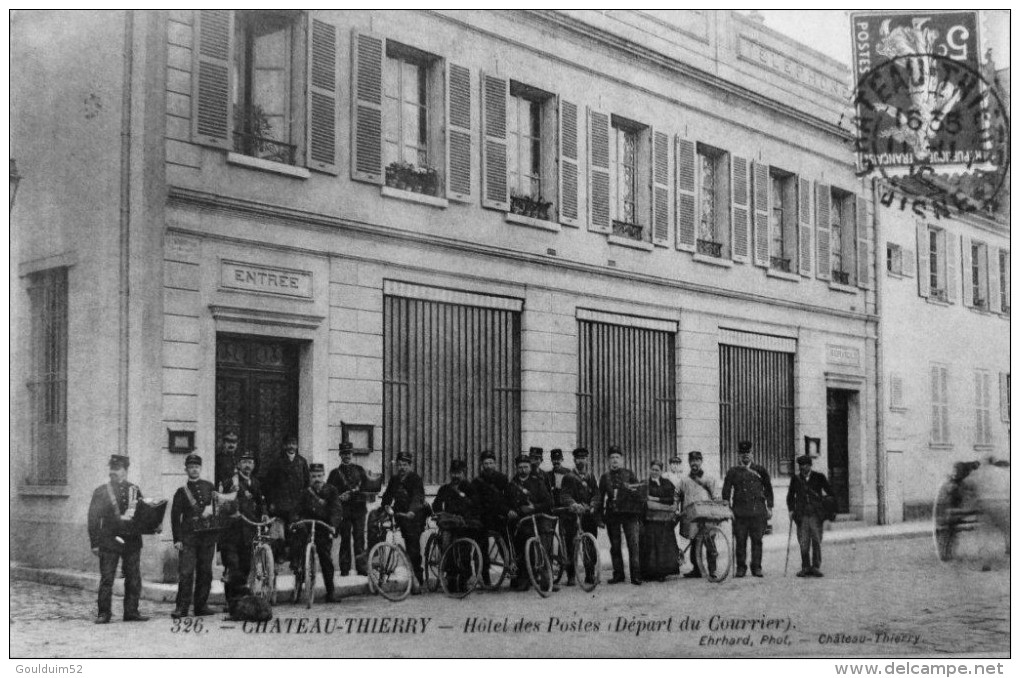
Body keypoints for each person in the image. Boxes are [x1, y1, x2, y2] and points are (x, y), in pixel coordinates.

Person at [87, 454, 148, 624]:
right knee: (107, 578)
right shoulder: (101, 491)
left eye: (118, 468)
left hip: (132, 540)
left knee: (133, 577)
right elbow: (93, 518)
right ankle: (104, 613)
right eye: (112, 468)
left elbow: (142, 514)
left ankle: (131, 611)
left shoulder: (134, 489)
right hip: (109, 540)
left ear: (125, 471)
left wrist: (152, 525)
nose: (113, 471)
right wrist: (95, 542)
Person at [170, 454, 218, 618]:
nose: (194, 470)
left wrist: (212, 511)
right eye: (191, 467)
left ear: (200, 468)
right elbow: (175, 517)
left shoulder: (210, 487)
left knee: (205, 572)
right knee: (186, 573)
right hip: (189, 538)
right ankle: (181, 607)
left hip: (207, 537)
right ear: (186, 470)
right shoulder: (181, 492)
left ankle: (201, 606)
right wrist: (177, 539)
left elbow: (218, 507)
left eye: (196, 467)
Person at [217, 449, 267, 602]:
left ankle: (239, 599)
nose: (248, 465)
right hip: (232, 531)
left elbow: (261, 501)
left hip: (249, 530)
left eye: (250, 462)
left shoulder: (256, 482)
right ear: (238, 464)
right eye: (244, 462)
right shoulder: (230, 482)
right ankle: (230, 600)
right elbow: (221, 503)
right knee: (233, 565)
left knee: (245, 565)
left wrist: (264, 513)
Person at [722, 441, 774, 578]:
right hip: (740, 513)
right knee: (740, 540)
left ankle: (756, 567)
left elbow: (768, 489)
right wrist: (727, 508)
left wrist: (770, 507)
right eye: (743, 454)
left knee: (757, 540)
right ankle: (741, 568)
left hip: (758, 512)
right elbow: (726, 490)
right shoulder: (733, 471)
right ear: (739, 455)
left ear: (752, 454)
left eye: (748, 453)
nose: (745, 456)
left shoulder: (760, 470)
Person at [505, 453, 555, 591]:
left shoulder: (537, 482)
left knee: (544, 542)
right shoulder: (511, 485)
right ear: (516, 468)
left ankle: (546, 578)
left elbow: (548, 501)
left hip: (537, 519)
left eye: (525, 467)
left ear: (529, 467)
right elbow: (505, 502)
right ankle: (524, 578)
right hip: (520, 521)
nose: (523, 470)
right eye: (520, 467)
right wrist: (510, 510)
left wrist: (534, 507)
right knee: (521, 545)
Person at [261, 434, 310, 572]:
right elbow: (269, 485)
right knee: (278, 533)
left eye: (293, 444)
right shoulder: (277, 462)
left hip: (296, 506)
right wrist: (271, 503)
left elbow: (307, 485)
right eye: (288, 444)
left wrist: (304, 504)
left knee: (298, 532)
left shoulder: (302, 462)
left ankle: (296, 560)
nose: (291, 446)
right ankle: (280, 555)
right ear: (284, 446)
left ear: (297, 446)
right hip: (280, 505)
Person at [598, 446, 643, 585]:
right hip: (613, 514)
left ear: (622, 460)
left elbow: (639, 494)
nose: (614, 460)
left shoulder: (629, 474)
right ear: (608, 460)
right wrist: (599, 518)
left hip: (630, 515)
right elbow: (600, 498)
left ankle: (636, 575)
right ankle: (618, 574)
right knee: (615, 545)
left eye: (617, 457)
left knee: (633, 545)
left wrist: (639, 515)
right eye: (612, 458)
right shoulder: (605, 477)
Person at [297, 463, 342, 602]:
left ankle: (331, 592)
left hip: (323, 527)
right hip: (307, 525)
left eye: (319, 476)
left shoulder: (331, 490)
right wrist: (295, 520)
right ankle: (299, 576)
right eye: (313, 476)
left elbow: (336, 509)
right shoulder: (305, 492)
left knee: (325, 558)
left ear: (324, 476)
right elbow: (297, 509)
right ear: (310, 477)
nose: (316, 479)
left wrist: (333, 525)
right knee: (299, 549)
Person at [380, 452, 426, 585]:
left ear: (410, 466)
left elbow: (418, 497)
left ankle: (417, 578)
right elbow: (387, 496)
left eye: (405, 465)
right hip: (399, 514)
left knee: (413, 548)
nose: (402, 468)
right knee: (376, 525)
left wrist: (412, 511)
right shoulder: (394, 479)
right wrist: (386, 507)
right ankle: (375, 560)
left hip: (414, 517)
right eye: (399, 465)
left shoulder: (415, 479)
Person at [433, 459, 478, 592]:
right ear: (450, 473)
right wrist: (440, 514)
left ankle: (464, 578)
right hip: (449, 525)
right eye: (454, 473)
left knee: (464, 551)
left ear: (464, 473)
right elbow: (436, 505)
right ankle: (451, 577)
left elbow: (476, 506)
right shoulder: (444, 489)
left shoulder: (470, 488)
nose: (456, 476)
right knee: (447, 547)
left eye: (459, 473)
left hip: (464, 525)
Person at [787, 454, 834, 578]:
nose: (803, 468)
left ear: (810, 466)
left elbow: (830, 493)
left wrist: (825, 505)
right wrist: (791, 510)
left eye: (806, 465)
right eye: (801, 466)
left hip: (816, 515)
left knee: (817, 541)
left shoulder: (819, 477)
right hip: (801, 516)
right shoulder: (795, 479)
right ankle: (805, 567)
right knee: (803, 542)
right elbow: (790, 496)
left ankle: (816, 567)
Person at [327, 441, 369, 577]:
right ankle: (344, 568)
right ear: (340, 455)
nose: (347, 456)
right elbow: (329, 494)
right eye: (344, 453)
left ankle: (361, 568)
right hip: (343, 511)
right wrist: (339, 497)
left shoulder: (360, 470)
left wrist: (354, 493)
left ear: (352, 453)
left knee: (359, 538)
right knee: (345, 539)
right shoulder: (334, 474)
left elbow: (367, 489)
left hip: (359, 510)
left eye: (349, 453)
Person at [559, 447, 599, 587]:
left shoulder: (591, 476)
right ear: (574, 460)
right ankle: (571, 576)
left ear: (587, 460)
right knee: (571, 546)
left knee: (590, 546)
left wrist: (593, 504)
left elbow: (596, 493)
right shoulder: (569, 477)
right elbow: (564, 495)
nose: (581, 461)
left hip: (588, 516)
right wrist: (573, 504)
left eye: (583, 458)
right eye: (578, 459)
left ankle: (590, 574)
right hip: (572, 516)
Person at [676, 450, 719, 578]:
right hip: (692, 517)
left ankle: (712, 571)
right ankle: (697, 569)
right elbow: (677, 495)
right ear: (689, 462)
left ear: (701, 461)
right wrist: (676, 509)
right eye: (692, 461)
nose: (694, 463)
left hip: (706, 516)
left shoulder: (709, 478)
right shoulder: (684, 480)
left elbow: (715, 496)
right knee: (694, 542)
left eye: (697, 460)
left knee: (710, 543)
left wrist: (716, 513)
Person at [471, 450, 510, 585]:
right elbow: (474, 502)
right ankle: (484, 576)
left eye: (491, 463)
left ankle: (511, 567)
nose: (488, 466)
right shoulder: (476, 482)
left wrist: (506, 511)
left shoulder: (502, 479)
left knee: (507, 541)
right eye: (486, 463)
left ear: (495, 464)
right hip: (483, 518)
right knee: (482, 547)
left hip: (499, 517)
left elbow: (507, 498)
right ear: (482, 465)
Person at [640, 461, 680, 582]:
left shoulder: (667, 483)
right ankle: (649, 573)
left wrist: (655, 499)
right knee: (650, 546)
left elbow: (671, 499)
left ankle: (662, 573)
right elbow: (643, 499)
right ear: (649, 469)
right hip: (650, 521)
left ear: (661, 471)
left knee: (663, 546)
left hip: (664, 521)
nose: (654, 472)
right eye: (652, 469)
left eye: (657, 470)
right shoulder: (645, 483)